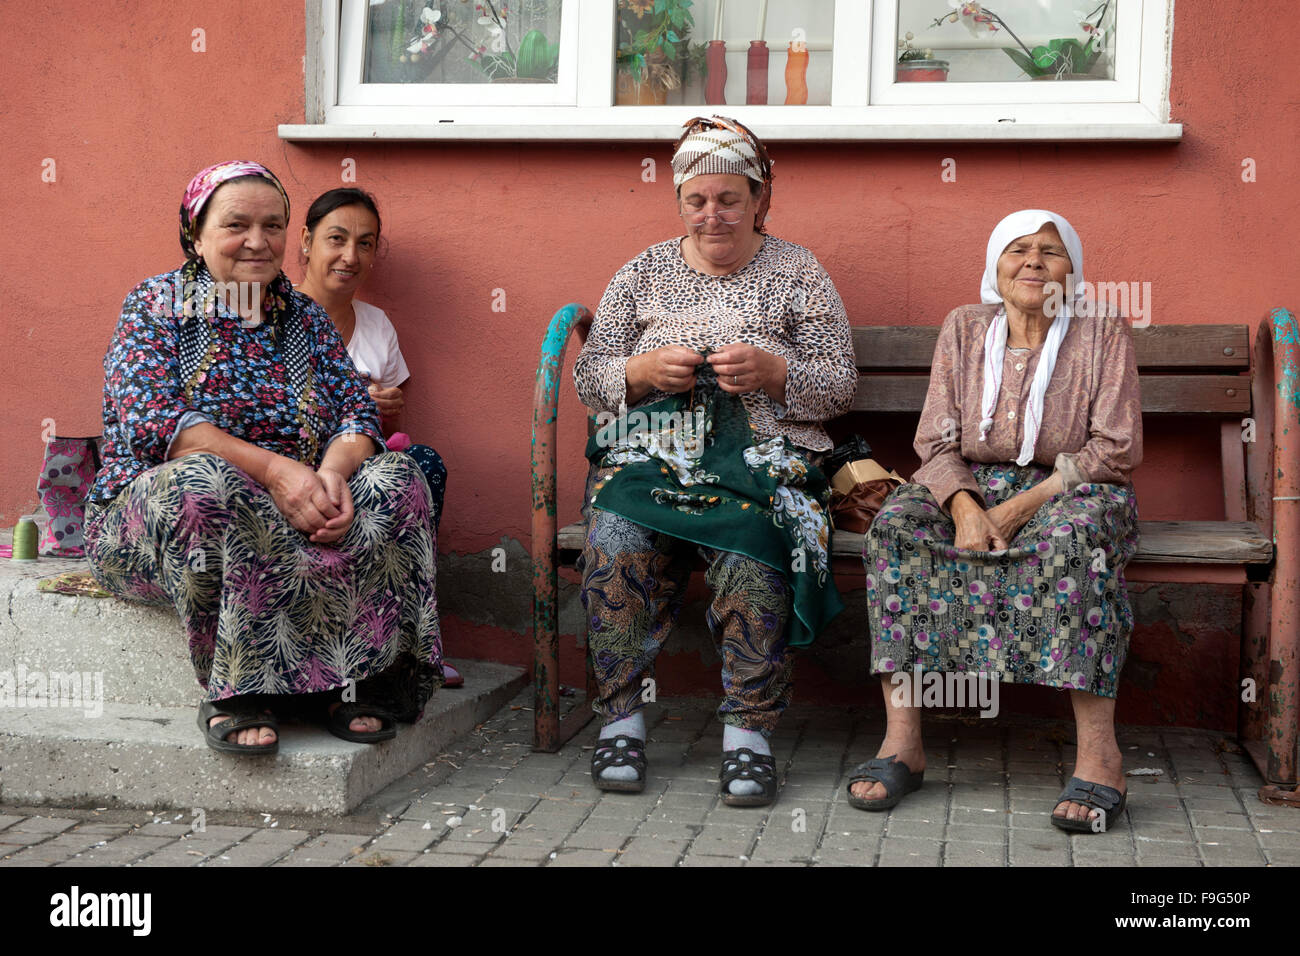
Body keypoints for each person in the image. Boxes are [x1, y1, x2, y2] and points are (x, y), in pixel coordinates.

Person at [85, 161, 445, 754]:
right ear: (195, 234)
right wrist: (278, 473)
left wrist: (331, 474)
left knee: (399, 475)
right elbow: (165, 428)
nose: (258, 241)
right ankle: (239, 691)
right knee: (203, 480)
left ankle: (364, 675)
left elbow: (357, 415)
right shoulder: (157, 305)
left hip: (296, 502)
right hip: (163, 520)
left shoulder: (303, 316)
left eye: (273, 225)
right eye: (236, 225)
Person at [573, 116, 858, 806]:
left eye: (729, 199)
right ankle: (621, 721)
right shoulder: (644, 270)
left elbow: (841, 384)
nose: (713, 216)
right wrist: (641, 372)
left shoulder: (797, 270)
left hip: (765, 459)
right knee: (613, 539)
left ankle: (748, 737)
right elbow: (590, 378)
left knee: (756, 545)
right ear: (679, 204)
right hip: (654, 457)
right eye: (697, 201)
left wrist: (773, 371)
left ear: (758, 199)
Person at [849, 210, 1142, 833]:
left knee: (1073, 547)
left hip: (1072, 487)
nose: (1034, 261)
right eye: (1018, 249)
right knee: (896, 535)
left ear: (1074, 270)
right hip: (967, 485)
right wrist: (965, 509)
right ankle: (903, 742)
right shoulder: (963, 328)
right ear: (994, 265)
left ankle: (1101, 758)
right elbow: (936, 441)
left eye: (1051, 251)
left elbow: (1114, 448)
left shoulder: (1102, 332)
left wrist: (1010, 511)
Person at [295, 187, 461, 688]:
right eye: (336, 239)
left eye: (365, 244)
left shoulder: (377, 324)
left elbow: (384, 427)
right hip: (289, 461)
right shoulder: (273, 315)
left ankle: (410, 643)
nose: (351, 256)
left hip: (354, 461)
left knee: (422, 465)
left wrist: (382, 408)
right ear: (305, 241)